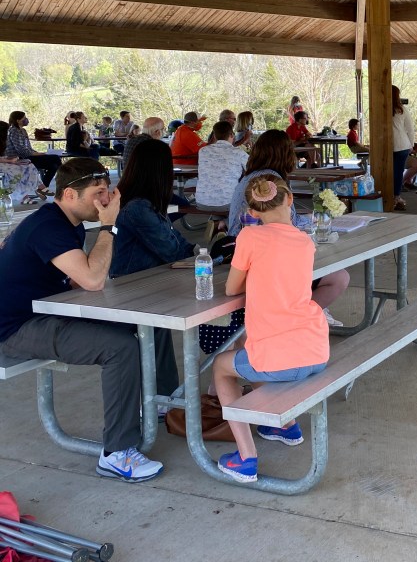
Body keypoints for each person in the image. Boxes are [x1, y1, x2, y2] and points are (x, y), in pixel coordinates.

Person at [0, 158, 165, 482]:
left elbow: (78, 280)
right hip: (15, 327)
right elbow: (91, 280)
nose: (105, 200)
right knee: (119, 348)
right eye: (97, 193)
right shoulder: (48, 226)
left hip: (45, 310)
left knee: (150, 322)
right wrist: (109, 226)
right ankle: (117, 453)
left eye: (107, 191)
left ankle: (162, 403)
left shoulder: (67, 223)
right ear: (69, 195)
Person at [213, 175, 329, 483]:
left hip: (280, 358)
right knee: (248, 353)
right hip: (316, 351)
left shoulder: (250, 237)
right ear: (290, 199)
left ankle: (245, 457)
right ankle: (286, 426)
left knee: (222, 366)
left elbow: (231, 288)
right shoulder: (305, 241)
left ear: (252, 212)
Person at [226, 130, 349, 329]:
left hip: (238, 252)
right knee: (339, 277)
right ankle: (302, 317)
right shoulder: (272, 181)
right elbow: (288, 224)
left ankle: (300, 314)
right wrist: (315, 218)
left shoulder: (249, 178)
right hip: (266, 257)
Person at [109, 140, 193, 403]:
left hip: (150, 283)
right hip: (133, 289)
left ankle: (166, 399)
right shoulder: (138, 208)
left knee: (159, 336)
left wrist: (202, 251)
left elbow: (176, 242)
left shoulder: (146, 204)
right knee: (155, 336)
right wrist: (201, 253)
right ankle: (164, 401)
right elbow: (172, 250)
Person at [5, 111, 61, 196]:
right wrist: (37, 154)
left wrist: (37, 153)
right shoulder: (14, 131)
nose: (26, 120)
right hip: (19, 158)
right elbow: (22, 151)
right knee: (56, 158)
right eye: (24, 118)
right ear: (18, 120)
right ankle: (63, 181)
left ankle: (43, 188)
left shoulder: (23, 131)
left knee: (54, 166)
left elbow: (28, 148)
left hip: (28, 156)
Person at [197, 120, 250, 208]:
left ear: (214, 136)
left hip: (202, 202)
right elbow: (253, 169)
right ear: (232, 135)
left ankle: (219, 220)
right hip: (228, 203)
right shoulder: (238, 152)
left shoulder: (203, 151)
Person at [0, 122, 43, 205]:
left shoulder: (3, 141)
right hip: (2, 164)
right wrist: (10, 161)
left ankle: (40, 187)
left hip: (3, 162)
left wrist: (12, 160)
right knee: (15, 170)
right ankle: (23, 196)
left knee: (29, 165)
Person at [391, 86, 416, 211]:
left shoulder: (380, 109)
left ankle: (386, 195)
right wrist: (411, 144)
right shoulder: (401, 109)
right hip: (402, 144)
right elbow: (410, 129)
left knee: (387, 172)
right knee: (398, 172)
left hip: (385, 145)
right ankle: (396, 197)